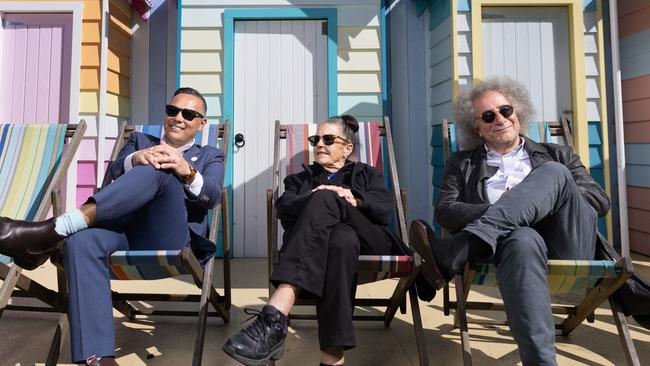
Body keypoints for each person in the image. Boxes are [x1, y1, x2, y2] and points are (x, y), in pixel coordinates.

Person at [0, 87, 225, 366]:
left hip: (169, 236)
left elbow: (212, 196)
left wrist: (184, 169)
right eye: (172, 110)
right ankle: (98, 358)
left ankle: (52, 230)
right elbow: (110, 177)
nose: (178, 117)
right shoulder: (139, 140)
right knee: (80, 242)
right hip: (124, 235)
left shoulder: (210, 155)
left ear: (201, 124)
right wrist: (135, 159)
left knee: (161, 167)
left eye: (189, 114)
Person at [409, 77, 610, 366]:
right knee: (522, 238)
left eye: (506, 110)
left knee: (553, 174)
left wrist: (540, 200)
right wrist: (510, 210)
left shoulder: (557, 155)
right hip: (512, 249)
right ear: (476, 126)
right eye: (488, 116)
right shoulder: (462, 163)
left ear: (518, 111)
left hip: (568, 240)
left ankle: (456, 249)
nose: (500, 119)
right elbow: (446, 210)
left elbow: (599, 200)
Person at [222, 115, 409, 366]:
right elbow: (284, 209)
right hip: (337, 251)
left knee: (327, 200)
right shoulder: (301, 179)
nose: (319, 144)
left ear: (347, 148)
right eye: (315, 139)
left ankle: (275, 315)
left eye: (328, 139)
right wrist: (314, 196)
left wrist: (354, 199)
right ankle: (332, 359)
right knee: (341, 240)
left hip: (370, 241)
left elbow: (385, 209)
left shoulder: (367, 174)